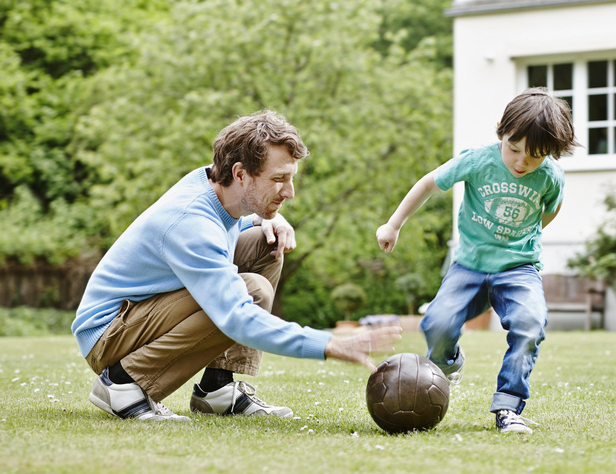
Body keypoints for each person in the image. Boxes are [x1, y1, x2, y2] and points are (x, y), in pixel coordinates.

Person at [73, 110, 401, 421]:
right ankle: (122, 382)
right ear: (240, 173)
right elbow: (236, 315)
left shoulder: (217, 188)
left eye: (291, 178)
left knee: (264, 242)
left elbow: (229, 220)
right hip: (110, 334)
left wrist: (265, 217)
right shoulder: (192, 223)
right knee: (251, 291)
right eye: (279, 179)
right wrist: (329, 344)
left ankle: (218, 387)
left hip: (137, 316)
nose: (290, 192)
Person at [376, 88, 576, 434]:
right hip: (469, 265)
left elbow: (552, 208)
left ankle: (509, 406)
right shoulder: (478, 161)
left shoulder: (551, 177)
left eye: (534, 157)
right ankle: (449, 362)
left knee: (530, 324)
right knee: (437, 324)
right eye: (514, 149)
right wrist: (394, 224)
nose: (520, 163)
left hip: (518, 268)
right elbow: (428, 184)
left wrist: (528, 235)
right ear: (501, 130)